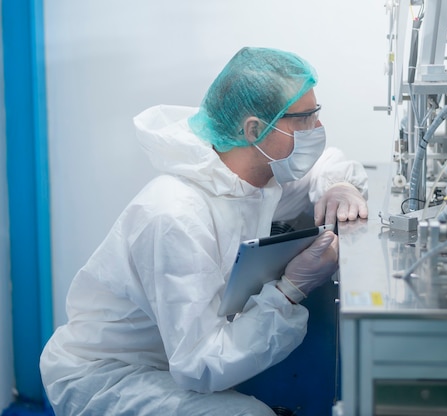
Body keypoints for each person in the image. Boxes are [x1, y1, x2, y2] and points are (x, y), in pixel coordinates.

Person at [39, 47, 368, 415]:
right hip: (110, 376)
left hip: (171, 359)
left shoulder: (251, 181)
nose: (317, 129)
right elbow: (201, 364)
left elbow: (323, 167)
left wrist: (338, 185)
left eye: (316, 114)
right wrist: (290, 291)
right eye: (305, 119)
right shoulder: (176, 216)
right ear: (255, 129)